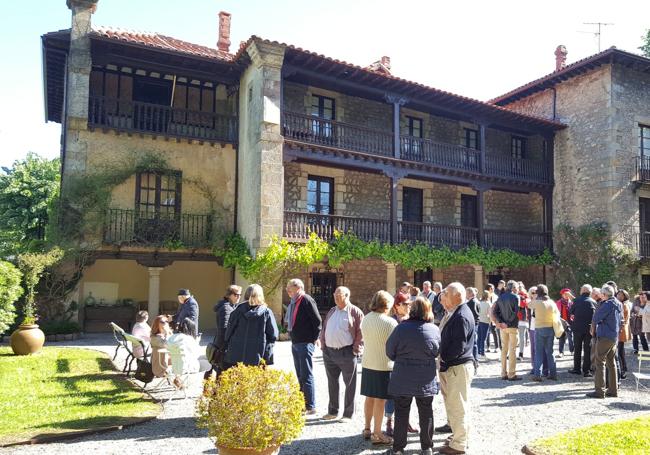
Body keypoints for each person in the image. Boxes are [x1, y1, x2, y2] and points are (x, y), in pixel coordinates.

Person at [385, 296, 441, 455]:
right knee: (426, 412)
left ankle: (398, 448)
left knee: (401, 413)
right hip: (425, 377)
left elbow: (390, 351)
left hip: (403, 376)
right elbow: (437, 351)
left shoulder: (401, 328)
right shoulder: (434, 329)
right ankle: (427, 447)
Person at [438, 283, 475, 455]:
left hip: (457, 367)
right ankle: (458, 437)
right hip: (454, 366)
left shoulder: (461, 316)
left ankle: (459, 444)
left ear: (457, 297)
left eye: (446, 294)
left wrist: (444, 359)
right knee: (455, 404)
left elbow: (458, 347)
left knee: (458, 405)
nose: (442, 297)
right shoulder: (454, 313)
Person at [320, 286, 364, 421]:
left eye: (339, 295)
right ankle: (333, 411)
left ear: (347, 296)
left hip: (347, 352)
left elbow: (360, 333)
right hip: (329, 352)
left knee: (350, 384)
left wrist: (355, 350)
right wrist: (323, 345)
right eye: (335, 295)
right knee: (332, 382)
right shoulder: (332, 311)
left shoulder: (355, 312)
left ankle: (348, 413)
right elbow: (325, 328)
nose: (336, 297)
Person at [360, 290, 397, 446]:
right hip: (384, 364)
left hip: (368, 363)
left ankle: (367, 428)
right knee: (380, 400)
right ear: (387, 305)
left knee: (369, 398)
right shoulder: (390, 323)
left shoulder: (366, 319)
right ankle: (378, 433)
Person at [285, 278, 322, 415]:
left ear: (298, 288)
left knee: (306, 374)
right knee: (300, 374)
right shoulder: (294, 302)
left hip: (305, 342)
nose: (288, 290)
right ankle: (302, 404)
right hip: (296, 342)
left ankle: (310, 406)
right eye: (287, 287)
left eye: (290, 287)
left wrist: (314, 338)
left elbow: (317, 321)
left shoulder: (306, 300)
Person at [384, 294, 417, 437]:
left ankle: (405, 421)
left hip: (409, 364)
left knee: (408, 394)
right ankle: (389, 422)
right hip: (393, 364)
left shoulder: (412, 321)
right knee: (392, 395)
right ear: (397, 306)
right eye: (405, 304)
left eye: (409, 304)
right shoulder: (391, 322)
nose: (408, 306)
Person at [224, 284, 278, 369]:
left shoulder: (237, 311)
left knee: (237, 380)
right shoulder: (266, 313)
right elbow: (273, 335)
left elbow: (228, 334)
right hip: (257, 356)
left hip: (236, 356)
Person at [586, 284, 622, 399]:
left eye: (601, 293)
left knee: (599, 362)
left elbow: (596, 317)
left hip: (605, 336)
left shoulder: (607, 304)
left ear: (605, 294)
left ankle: (599, 391)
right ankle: (613, 390)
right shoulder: (617, 303)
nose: (600, 295)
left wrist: (593, 325)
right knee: (611, 363)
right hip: (613, 336)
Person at [207, 285, 242, 378]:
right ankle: (218, 392)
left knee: (222, 373)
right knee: (223, 374)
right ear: (229, 295)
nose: (238, 297)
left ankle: (217, 392)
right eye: (236, 294)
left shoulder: (230, 306)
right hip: (224, 347)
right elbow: (224, 330)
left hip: (223, 346)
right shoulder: (226, 308)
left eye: (240, 295)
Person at [493, 280, 521, 381]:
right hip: (512, 326)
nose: (517, 290)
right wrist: (507, 323)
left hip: (503, 327)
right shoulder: (515, 297)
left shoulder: (501, 297)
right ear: (513, 288)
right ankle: (511, 374)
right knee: (512, 350)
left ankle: (503, 373)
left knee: (504, 350)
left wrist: (501, 322)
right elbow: (515, 313)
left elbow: (495, 312)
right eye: (516, 288)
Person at [529, 285, 558, 382]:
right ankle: (553, 374)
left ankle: (538, 374)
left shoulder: (537, 303)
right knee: (550, 352)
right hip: (550, 329)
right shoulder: (552, 303)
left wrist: (536, 297)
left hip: (539, 328)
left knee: (538, 352)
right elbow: (557, 314)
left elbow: (529, 305)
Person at [568, 284, 596, 377]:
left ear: (582, 291)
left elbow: (571, 312)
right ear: (590, 292)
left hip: (577, 328)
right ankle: (586, 370)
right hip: (589, 329)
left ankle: (577, 369)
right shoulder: (594, 302)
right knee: (587, 350)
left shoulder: (576, 301)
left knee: (577, 349)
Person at [616, 289, 631, 379]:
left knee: (620, 352)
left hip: (620, 331)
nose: (619, 296)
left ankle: (622, 370)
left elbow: (623, 320)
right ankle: (623, 369)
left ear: (624, 296)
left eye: (621, 295)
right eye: (618, 294)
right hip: (620, 331)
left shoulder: (623, 305)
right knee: (621, 352)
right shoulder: (621, 304)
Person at [556, 288, 574, 357]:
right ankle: (561, 352)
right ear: (562, 295)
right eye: (565, 294)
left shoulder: (571, 303)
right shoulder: (558, 303)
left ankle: (572, 350)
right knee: (561, 338)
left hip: (569, 322)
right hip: (561, 323)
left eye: (567, 294)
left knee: (570, 337)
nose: (566, 296)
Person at [465, 287, 480, 364]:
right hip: (475, 324)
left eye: (466, 293)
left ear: (470, 293)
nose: (465, 295)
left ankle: (475, 361)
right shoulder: (475, 301)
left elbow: (473, 314)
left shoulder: (472, 302)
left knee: (473, 343)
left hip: (473, 324)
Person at [485, 284, 500, 352]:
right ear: (489, 289)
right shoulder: (485, 296)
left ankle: (497, 347)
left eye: (493, 288)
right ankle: (488, 347)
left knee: (494, 332)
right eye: (492, 288)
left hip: (493, 316)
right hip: (487, 316)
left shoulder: (495, 296)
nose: (493, 289)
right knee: (487, 332)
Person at [517, 284, 530, 361]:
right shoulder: (514, 296)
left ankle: (521, 353)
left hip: (522, 320)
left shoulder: (526, 297)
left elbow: (524, 305)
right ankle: (515, 353)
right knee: (516, 338)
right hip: (517, 319)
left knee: (521, 337)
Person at [477, 290, 492, 358]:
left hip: (479, 321)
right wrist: (491, 321)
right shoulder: (488, 303)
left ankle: (478, 352)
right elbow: (490, 314)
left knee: (479, 337)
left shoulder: (479, 303)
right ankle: (482, 353)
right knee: (483, 338)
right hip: (485, 321)